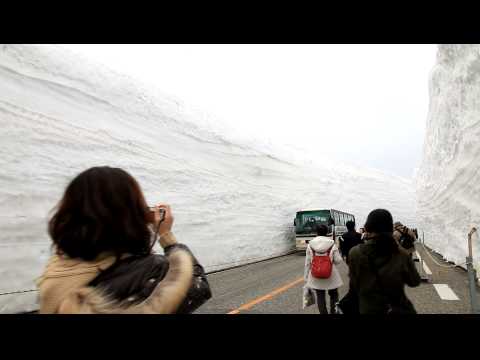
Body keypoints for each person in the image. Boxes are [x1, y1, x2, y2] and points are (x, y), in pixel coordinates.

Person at [36, 166, 211, 314]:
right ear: (132, 214)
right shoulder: (152, 269)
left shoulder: (56, 270)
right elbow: (198, 287)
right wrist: (166, 235)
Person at [347, 209, 421, 314]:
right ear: (390, 227)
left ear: (368, 226)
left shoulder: (355, 252)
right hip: (396, 308)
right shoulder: (401, 254)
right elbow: (414, 281)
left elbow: (354, 284)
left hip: (368, 309)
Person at [304, 224, 343, 314]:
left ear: (316, 232)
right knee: (334, 295)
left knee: (320, 296)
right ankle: (334, 312)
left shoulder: (310, 244)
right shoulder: (332, 243)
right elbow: (338, 260)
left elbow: (307, 263)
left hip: (316, 274)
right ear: (326, 232)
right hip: (330, 274)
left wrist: (306, 278)